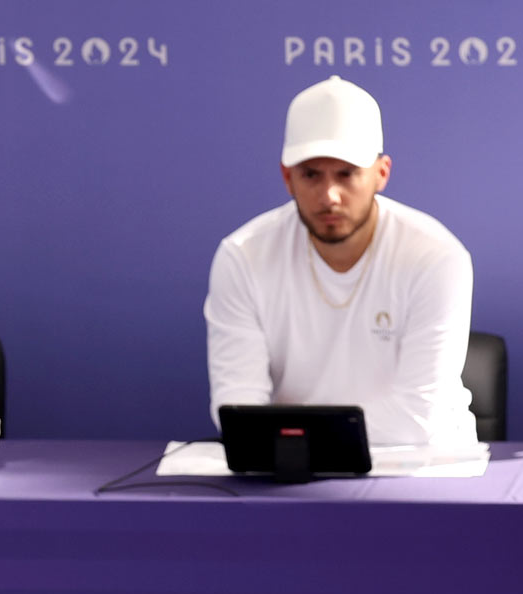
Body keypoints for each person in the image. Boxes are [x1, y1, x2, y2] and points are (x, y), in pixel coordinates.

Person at [204, 77, 477, 452]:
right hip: (290, 471)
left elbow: (418, 418)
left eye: (347, 174)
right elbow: (236, 406)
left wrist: (294, 438)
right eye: (311, 175)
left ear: (381, 174)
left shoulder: (435, 257)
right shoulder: (243, 256)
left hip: (421, 468)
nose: (329, 196)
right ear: (287, 177)